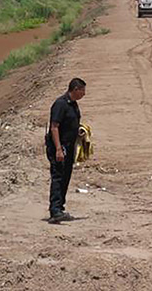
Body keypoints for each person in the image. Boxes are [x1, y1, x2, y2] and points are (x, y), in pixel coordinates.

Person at [46, 78, 86, 224]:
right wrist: (58, 149)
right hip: (59, 146)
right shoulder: (60, 104)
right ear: (75, 89)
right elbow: (54, 127)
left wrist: (79, 131)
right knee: (58, 176)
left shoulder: (73, 105)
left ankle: (60, 208)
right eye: (82, 91)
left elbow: (70, 124)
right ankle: (55, 210)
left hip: (69, 146)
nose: (84, 94)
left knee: (65, 176)